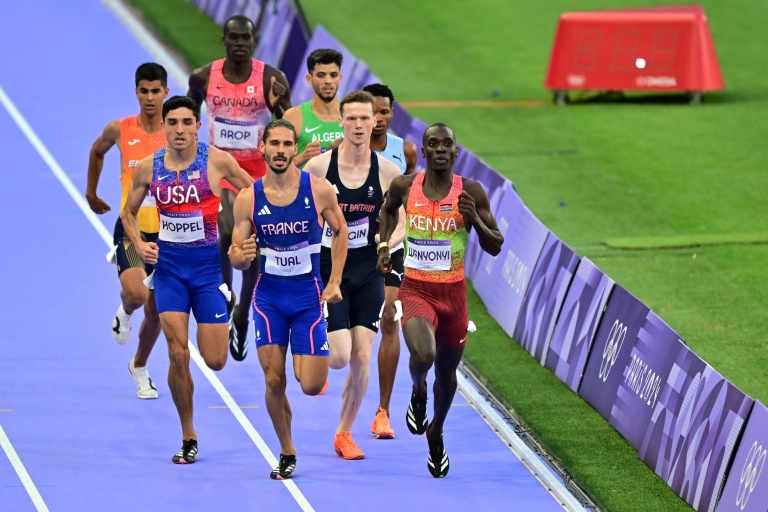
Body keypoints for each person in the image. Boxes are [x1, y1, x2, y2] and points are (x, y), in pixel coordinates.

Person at [121, 96, 254, 464]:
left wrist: (242, 237)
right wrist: (139, 243)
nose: (180, 130)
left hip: (208, 270)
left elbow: (255, 194)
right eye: (173, 123)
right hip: (169, 271)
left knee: (215, 361)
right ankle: (188, 435)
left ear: (198, 125)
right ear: (163, 126)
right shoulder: (148, 168)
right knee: (178, 354)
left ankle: (225, 314)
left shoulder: (217, 160)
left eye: (187, 122)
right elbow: (128, 212)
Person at [376, 123, 503, 477]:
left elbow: (496, 245)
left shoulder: (472, 192)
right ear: (425, 150)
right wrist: (384, 245)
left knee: (447, 372)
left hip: (453, 296)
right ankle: (418, 391)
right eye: (434, 144)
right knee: (425, 355)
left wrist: (474, 218)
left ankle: (436, 433)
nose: (442, 149)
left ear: (456, 152)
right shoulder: (406, 185)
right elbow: (387, 211)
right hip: (416, 289)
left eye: (448, 144)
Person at [228, 119, 348, 479]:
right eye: (273, 144)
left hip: (308, 296)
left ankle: (303, 357)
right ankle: (286, 449)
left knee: (310, 386)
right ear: (262, 148)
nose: (280, 151)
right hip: (268, 299)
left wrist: (335, 280)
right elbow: (236, 254)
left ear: (295, 148)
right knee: (273, 380)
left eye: (286, 144)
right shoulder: (249, 198)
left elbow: (340, 231)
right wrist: (242, 255)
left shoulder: (320, 190)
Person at [304, 90, 403, 460]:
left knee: (362, 355)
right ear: (341, 123)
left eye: (367, 118)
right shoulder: (318, 170)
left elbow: (400, 221)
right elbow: (302, 214)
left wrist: (385, 245)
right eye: (353, 119)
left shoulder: (388, 172)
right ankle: (308, 346)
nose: (360, 125)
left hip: (368, 269)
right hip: (330, 268)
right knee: (340, 358)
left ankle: (344, 433)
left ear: (375, 122)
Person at [188, 14, 292, 363]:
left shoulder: (272, 79)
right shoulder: (203, 78)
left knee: (254, 252)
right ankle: (226, 295)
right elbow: (188, 121)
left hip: (257, 173)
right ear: (224, 40)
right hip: (219, 170)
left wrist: (281, 107)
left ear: (254, 40)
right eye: (232, 38)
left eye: (244, 38)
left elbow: (287, 126)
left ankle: (242, 316)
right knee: (229, 233)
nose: (239, 44)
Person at [329, 82, 418, 438]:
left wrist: (386, 243)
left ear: (389, 115)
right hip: (346, 254)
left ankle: (382, 410)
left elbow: (406, 209)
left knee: (390, 319)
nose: (374, 120)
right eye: (367, 114)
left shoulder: (403, 154)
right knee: (344, 351)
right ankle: (342, 356)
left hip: (387, 249)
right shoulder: (336, 157)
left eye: (380, 114)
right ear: (347, 121)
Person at [85, 62, 169, 399]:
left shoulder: (178, 131)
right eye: (144, 91)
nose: (150, 97)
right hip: (131, 227)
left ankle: (139, 366)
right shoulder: (119, 129)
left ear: (165, 92)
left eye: (156, 91)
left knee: (158, 311)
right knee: (138, 295)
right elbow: (96, 152)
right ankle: (126, 305)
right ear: (136, 92)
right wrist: (91, 194)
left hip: (169, 234)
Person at [282, 49, 344, 168]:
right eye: (321, 75)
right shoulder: (293, 117)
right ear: (309, 79)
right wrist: (302, 157)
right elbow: (277, 166)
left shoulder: (351, 116)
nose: (328, 81)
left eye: (333, 75)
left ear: (340, 78)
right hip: (305, 186)